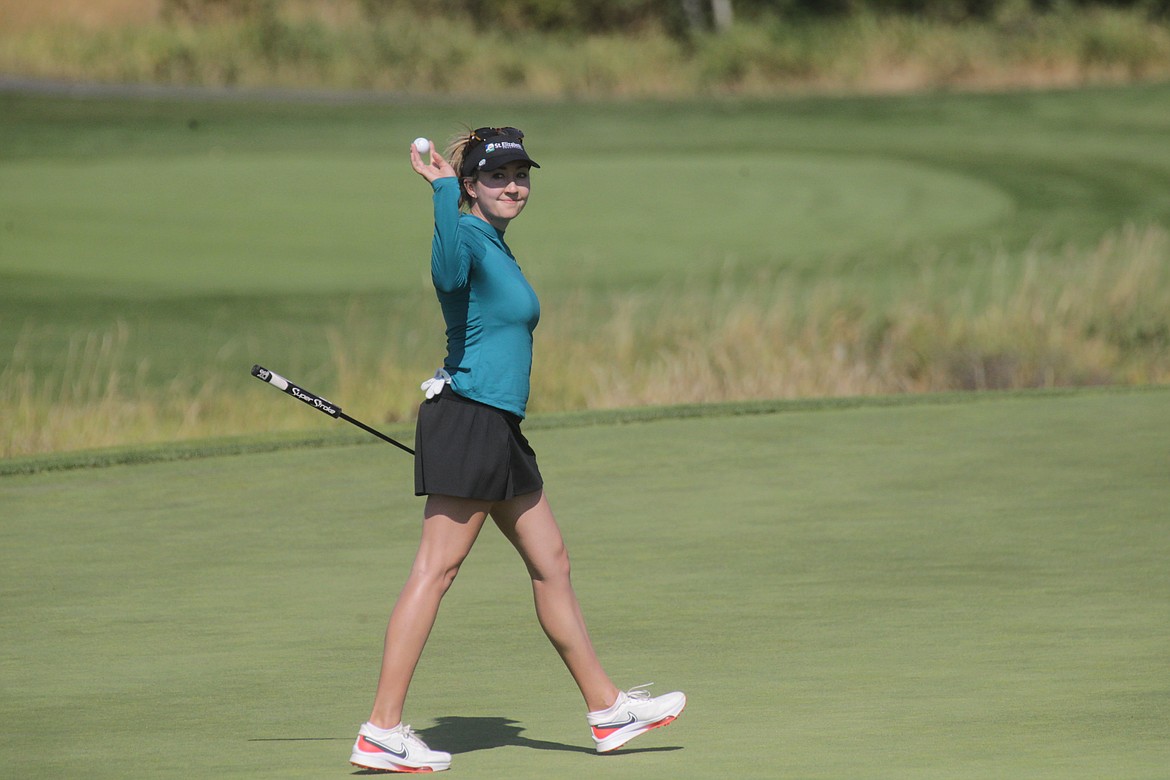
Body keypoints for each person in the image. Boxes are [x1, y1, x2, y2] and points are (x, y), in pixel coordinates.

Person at [348, 127, 686, 773]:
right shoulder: (466, 234)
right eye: (497, 177)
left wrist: (457, 194)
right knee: (436, 570)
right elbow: (445, 271)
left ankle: (607, 710)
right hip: (470, 418)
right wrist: (443, 193)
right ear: (473, 183)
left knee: (551, 561)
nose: (512, 186)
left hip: (497, 426)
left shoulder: (496, 244)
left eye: (520, 176)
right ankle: (381, 730)